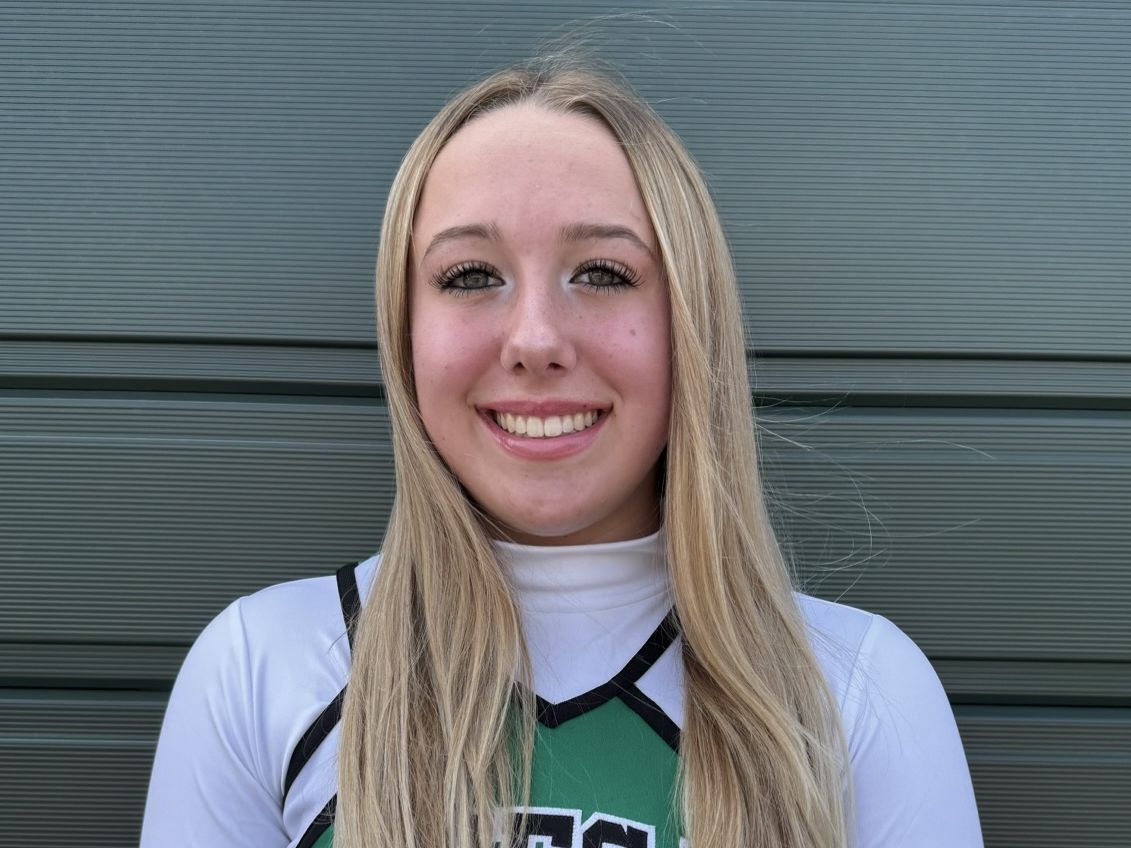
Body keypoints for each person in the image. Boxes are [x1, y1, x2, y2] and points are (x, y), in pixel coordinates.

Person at [141, 57, 984, 848]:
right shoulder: (260, 668)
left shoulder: (857, 690)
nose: (536, 340)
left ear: (689, 323)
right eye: (470, 275)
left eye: (603, 273)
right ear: (404, 334)